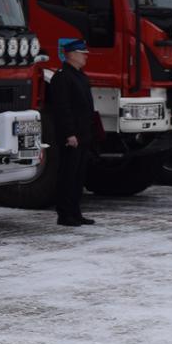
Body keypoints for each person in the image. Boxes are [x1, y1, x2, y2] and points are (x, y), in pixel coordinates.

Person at [42, 39, 96, 226]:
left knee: (78, 176)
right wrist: (69, 134)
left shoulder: (80, 76)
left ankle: (75, 211)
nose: (85, 56)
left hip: (83, 134)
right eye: (82, 53)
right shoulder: (62, 77)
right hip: (71, 135)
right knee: (68, 174)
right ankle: (65, 214)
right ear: (71, 54)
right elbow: (62, 109)